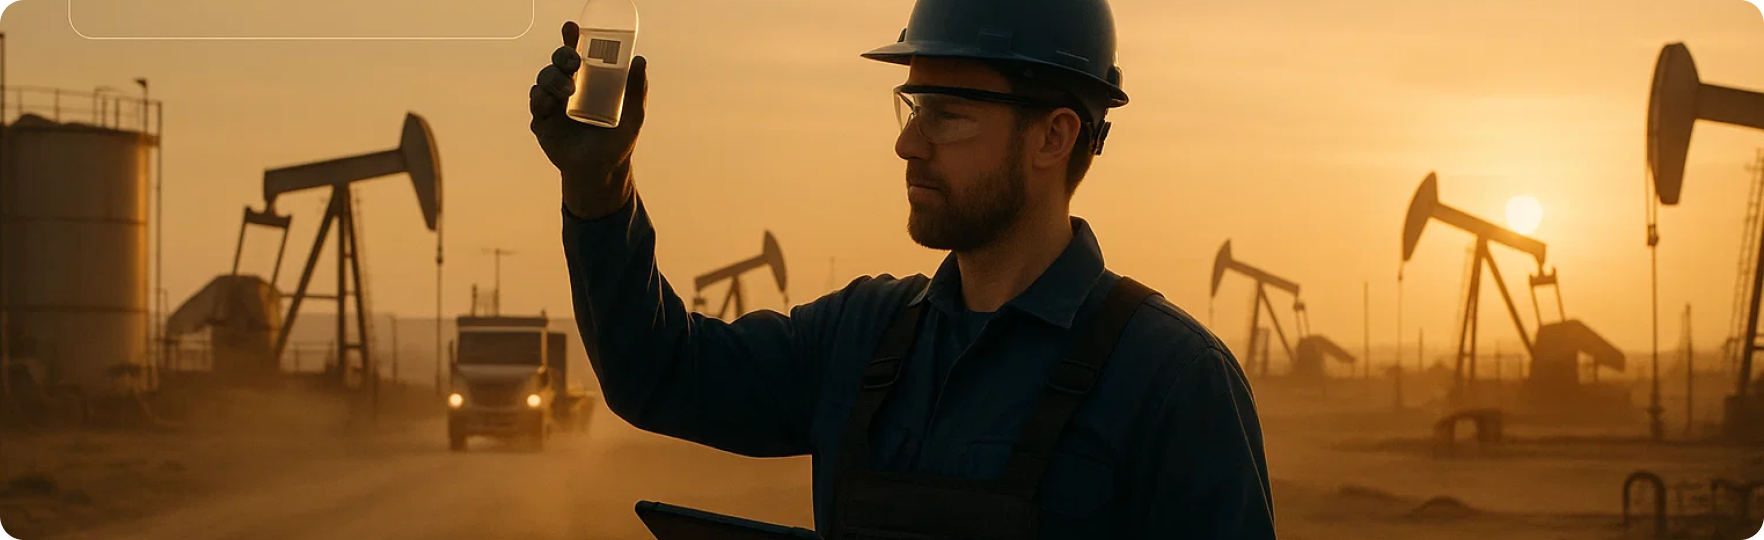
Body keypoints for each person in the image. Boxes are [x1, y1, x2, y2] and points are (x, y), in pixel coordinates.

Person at [529, 0, 1276, 537]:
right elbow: (658, 374)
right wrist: (600, 187)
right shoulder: (861, 337)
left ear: (1054, 137)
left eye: (947, 115)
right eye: (911, 106)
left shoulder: (1174, 382)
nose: (909, 144)